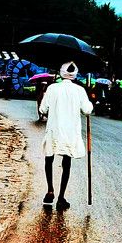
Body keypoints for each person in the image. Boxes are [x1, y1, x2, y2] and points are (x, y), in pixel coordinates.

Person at [39, 61, 93, 211]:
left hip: (53, 130)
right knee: (66, 163)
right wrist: (89, 101)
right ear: (74, 74)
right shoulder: (80, 90)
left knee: (49, 158)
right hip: (70, 133)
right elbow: (87, 110)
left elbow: (43, 109)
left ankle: (50, 190)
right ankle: (61, 197)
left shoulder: (52, 88)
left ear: (61, 72)